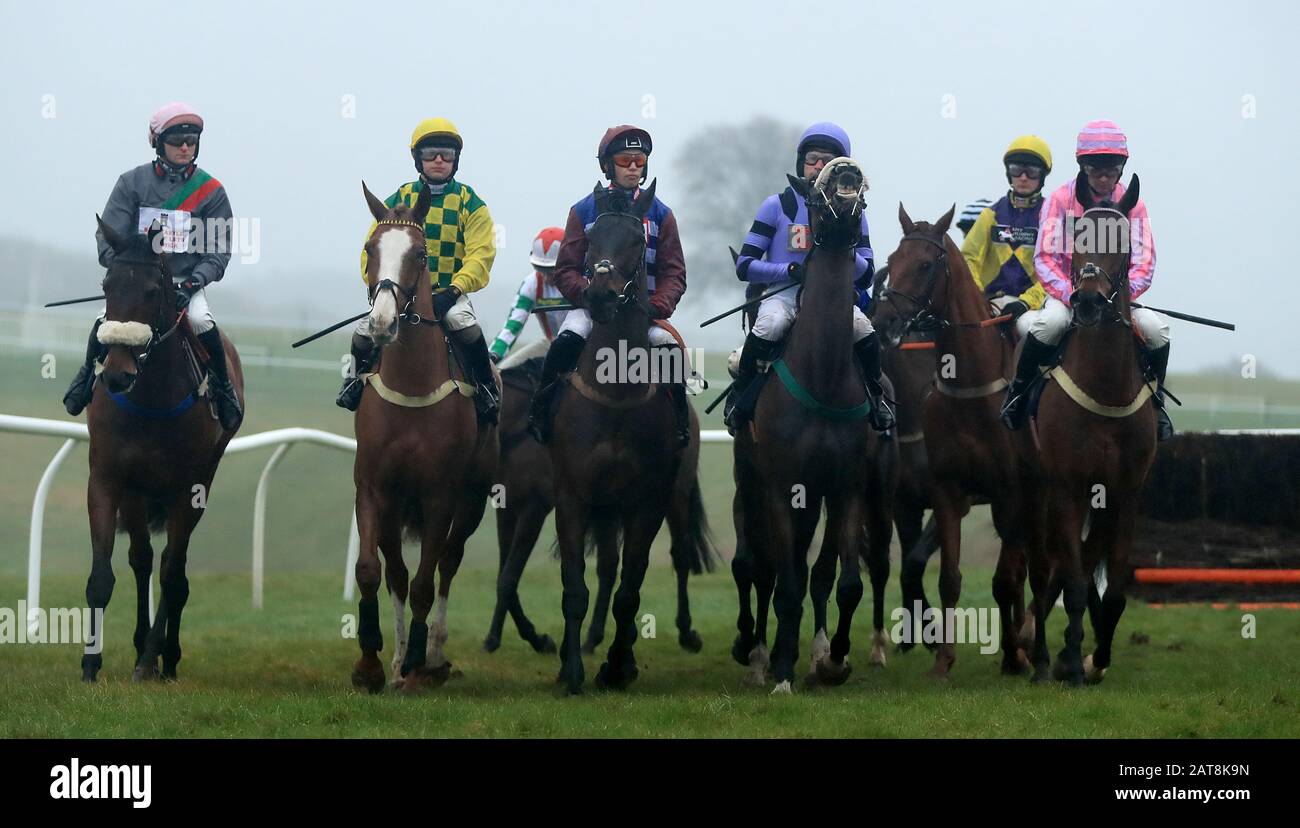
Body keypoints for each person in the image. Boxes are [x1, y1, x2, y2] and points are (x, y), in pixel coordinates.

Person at [64, 102, 242, 430]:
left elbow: (219, 251)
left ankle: (223, 388)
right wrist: (126, 273)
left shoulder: (212, 192)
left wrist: (192, 284)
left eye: (191, 140)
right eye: (177, 141)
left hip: (185, 282)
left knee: (202, 320)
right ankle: (85, 376)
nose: (186, 147)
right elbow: (108, 238)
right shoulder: (131, 183)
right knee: (105, 321)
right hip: (139, 280)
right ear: (158, 143)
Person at [1001, 119, 1171, 439]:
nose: (1104, 176)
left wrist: (1119, 294)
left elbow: (1145, 262)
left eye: (1112, 168)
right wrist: (1071, 294)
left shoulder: (1134, 206)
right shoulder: (1060, 200)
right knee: (1048, 325)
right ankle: (1017, 395)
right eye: (1096, 169)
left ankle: (1157, 403)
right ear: (1083, 167)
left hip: (1117, 296)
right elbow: (1045, 258)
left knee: (1157, 330)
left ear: (1121, 168)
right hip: (1070, 294)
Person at [526, 124, 691, 447]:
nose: (633, 167)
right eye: (626, 160)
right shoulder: (583, 210)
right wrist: (586, 295)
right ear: (607, 165)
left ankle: (681, 422)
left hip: (643, 314)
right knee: (563, 344)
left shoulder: (661, 214)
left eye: (639, 161)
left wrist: (658, 305)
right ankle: (541, 411)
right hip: (592, 310)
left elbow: (674, 273)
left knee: (671, 353)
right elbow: (566, 269)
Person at [725, 121, 893, 433]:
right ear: (801, 163)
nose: (818, 166)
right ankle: (741, 394)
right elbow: (745, 265)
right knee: (770, 325)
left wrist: (845, 251)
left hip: (834, 300)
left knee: (865, 330)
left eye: (827, 160)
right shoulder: (777, 206)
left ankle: (876, 396)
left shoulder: (856, 212)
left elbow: (867, 272)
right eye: (812, 159)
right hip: (784, 295)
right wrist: (787, 270)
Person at [338, 117, 500, 424]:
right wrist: (382, 290)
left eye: (447, 154)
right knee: (363, 333)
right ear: (418, 159)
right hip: (400, 293)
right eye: (431, 154)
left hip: (450, 295)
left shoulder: (471, 203)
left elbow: (481, 255)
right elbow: (370, 252)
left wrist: (453, 291)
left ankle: (485, 388)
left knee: (467, 328)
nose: (439, 160)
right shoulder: (396, 200)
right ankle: (353, 382)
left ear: (456, 160)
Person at [962, 135, 1053, 319]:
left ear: (1042, 175)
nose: (1023, 178)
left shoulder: (1051, 217)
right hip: (989, 303)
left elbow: (1056, 269)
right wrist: (976, 295)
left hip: (1033, 308)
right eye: (1017, 170)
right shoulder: (990, 216)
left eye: (1032, 171)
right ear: (1008, 173)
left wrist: (1026, 301)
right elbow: (968, 259)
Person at [488, 227, 571, 362]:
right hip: (551, 344)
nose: (545, 277)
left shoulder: (581, 280)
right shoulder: (532, 283)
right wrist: (493, 355)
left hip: (584, 347)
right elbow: (513, 324)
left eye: (551, 270)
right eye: (540, 269)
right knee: (504, 371)